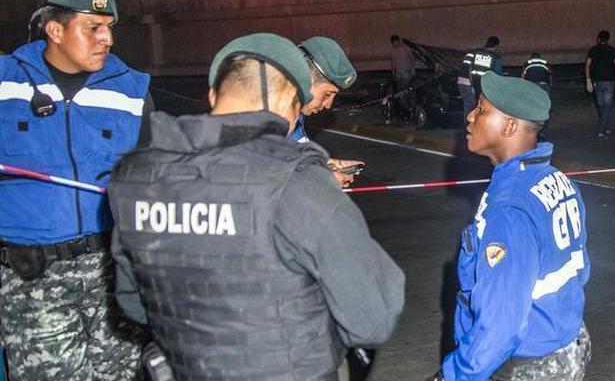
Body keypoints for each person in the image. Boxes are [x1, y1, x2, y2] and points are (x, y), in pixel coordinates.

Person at [109, 33, 405, 381]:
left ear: (213, 94)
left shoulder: (137, 176)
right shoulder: (300, 183)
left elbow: (132, 301)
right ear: (285, 101)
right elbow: (373, 317)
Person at [0, 0, 150, 380]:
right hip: (32, 277)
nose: (108, 39)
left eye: (110, 27)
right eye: (94, 27)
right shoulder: (4, 82)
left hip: (112, 270)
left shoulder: (133, 90)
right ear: (55, 30)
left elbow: (153, 178)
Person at [427, 72, 590, 381]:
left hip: (527, 364)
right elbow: (580, 270)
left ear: (510, 126)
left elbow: (501, 323)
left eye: (482, 109)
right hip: (566, 343)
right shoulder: (555, 179)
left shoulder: (510, 208)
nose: (471, 116)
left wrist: (452, 375)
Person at [289, 36, 364, 188]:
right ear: (303, 80)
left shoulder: (296, 113)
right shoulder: (257, 113)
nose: (328, 105)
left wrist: (326, 164)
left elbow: (294, 154)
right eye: (327, 94)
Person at [584, 30, 615, 137]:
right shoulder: (612, 50)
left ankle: (605, 127)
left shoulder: (593, 50)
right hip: (610, 81)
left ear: (598, 39)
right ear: (608, 39)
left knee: (601, 105)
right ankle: (604, 127)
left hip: (597, 82)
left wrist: (588, 80)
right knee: (607, 106)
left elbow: (587, 65)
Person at [460, 36, 504, 113]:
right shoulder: (494, 57)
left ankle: (468, 123)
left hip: (464, 83)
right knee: (480, 108)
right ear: (496, 46)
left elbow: (465, 67)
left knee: (469, 108)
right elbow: (498, 74)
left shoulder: (473, 52)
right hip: (481, 86)